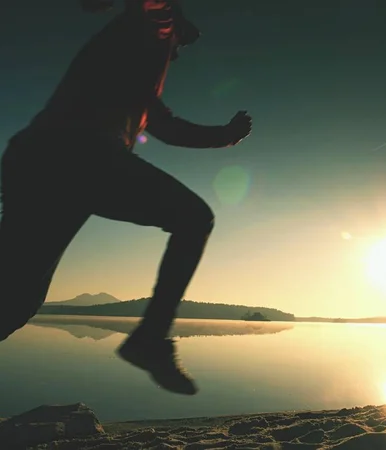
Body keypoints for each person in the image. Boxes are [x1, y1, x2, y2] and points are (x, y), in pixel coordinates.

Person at [0, 0, 252, 395]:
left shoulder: (139, 83)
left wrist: (225, 135)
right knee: (193, 217)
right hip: (78, 155)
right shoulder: (155, 22)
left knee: (14, 301)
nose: (179, 54)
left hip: (35, 160)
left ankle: (147, 340)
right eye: (180, 45)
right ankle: (149, 340)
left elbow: (168, 127)